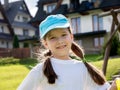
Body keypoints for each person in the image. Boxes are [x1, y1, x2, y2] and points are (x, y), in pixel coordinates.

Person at [17, 14, 118, 90]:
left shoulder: (82, 68)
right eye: (53, 37)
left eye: (63, 35)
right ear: (45, 43)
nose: (60, 41)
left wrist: (114, 86)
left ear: (71, 36)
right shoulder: (40, 70)